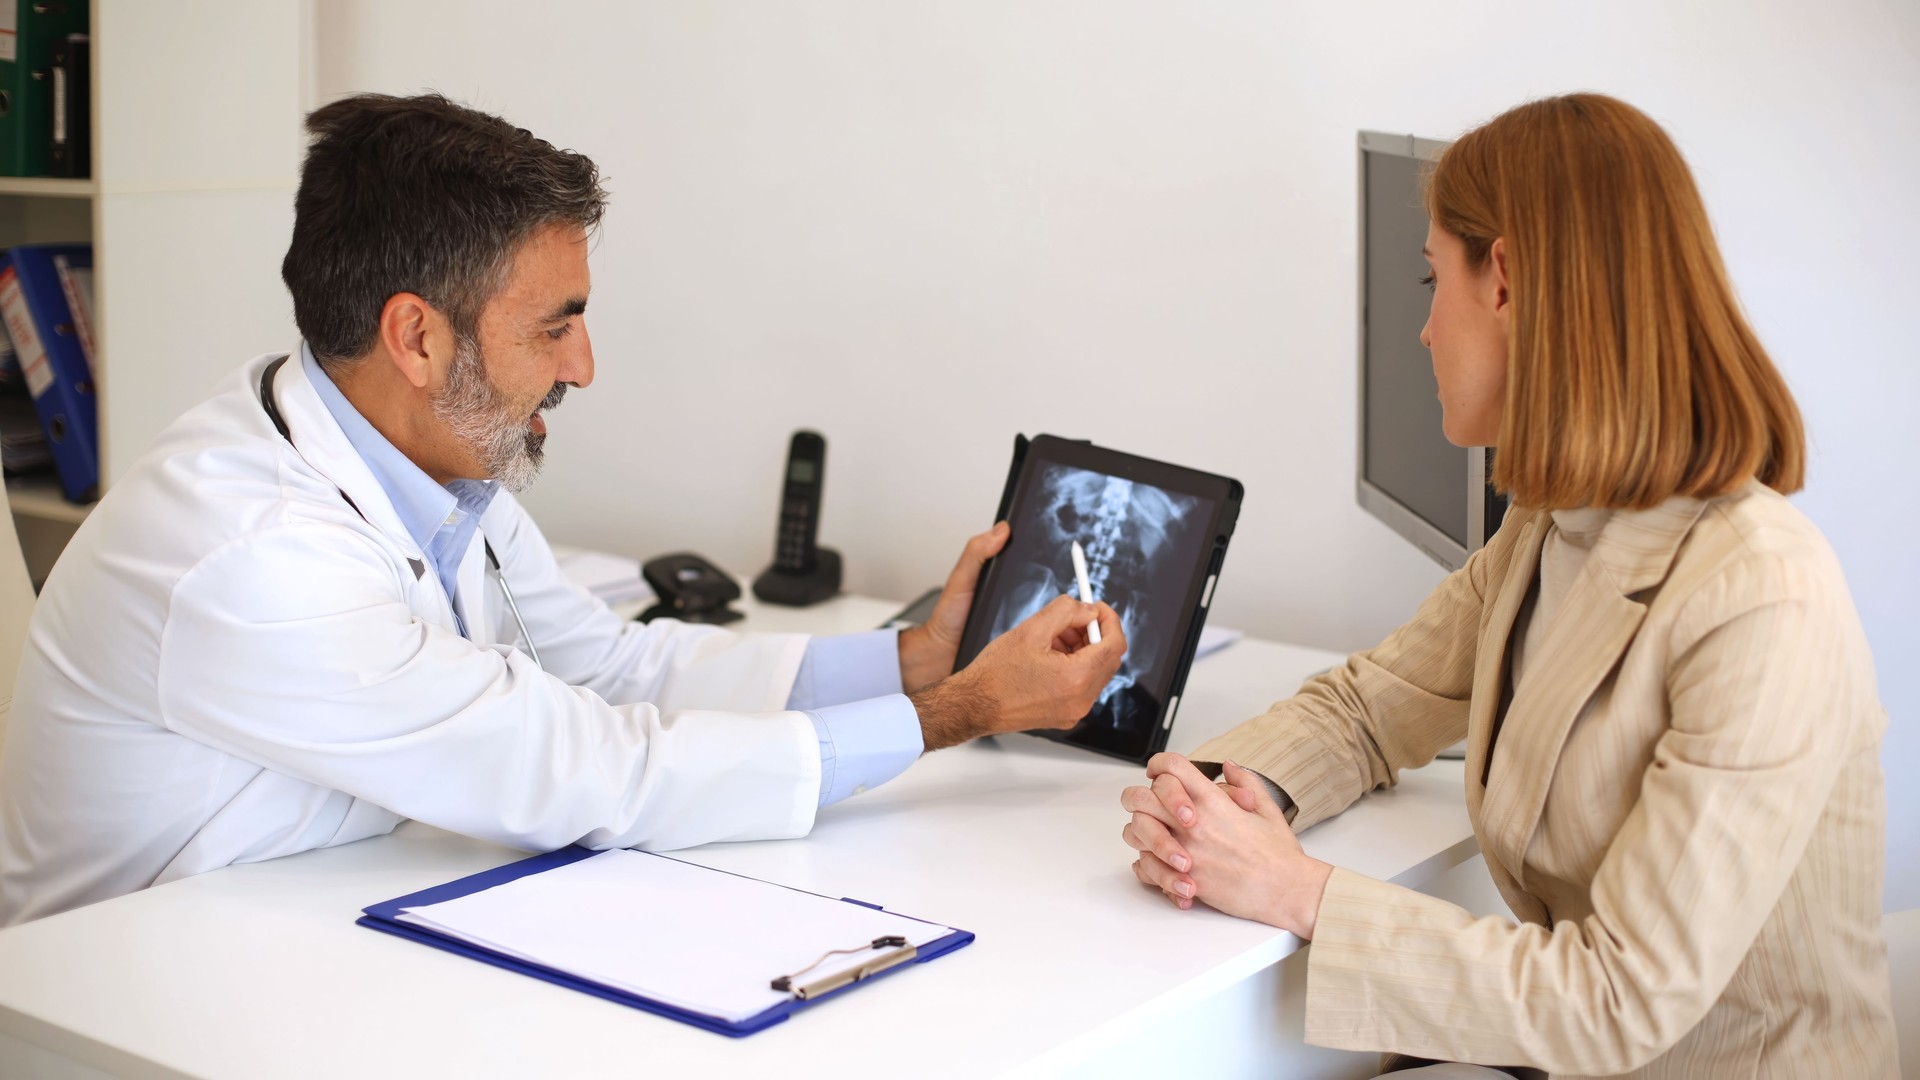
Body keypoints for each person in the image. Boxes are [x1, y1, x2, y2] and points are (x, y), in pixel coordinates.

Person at [0, 93, 1125, 927]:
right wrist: (961, 715)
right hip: (128, 1010)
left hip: (316, 934)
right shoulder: (255, 561)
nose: (585, 365)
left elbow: (609, 669)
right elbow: (592, 768)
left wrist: (911, 665)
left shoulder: (429, 468)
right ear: (419, 337)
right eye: (554, 325)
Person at [1120, 94, 1896, 1079]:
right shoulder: (1554, 522)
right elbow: (1371, 707)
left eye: (1430, 278)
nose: (1423, 330)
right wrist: (1220, 806)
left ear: (1509, 284)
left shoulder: (1762, 597)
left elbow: (1617, 1003)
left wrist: (1296, 890)